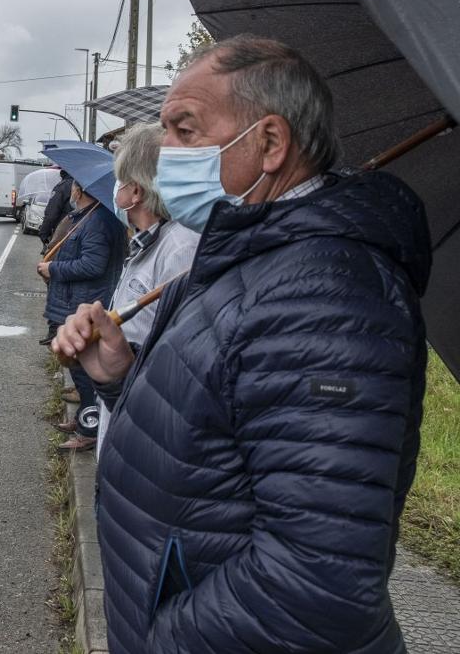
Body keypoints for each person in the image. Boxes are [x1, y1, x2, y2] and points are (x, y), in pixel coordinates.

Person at [53, 35, 431, 653]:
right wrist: (122, 372)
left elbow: (316, 584)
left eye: (184, 130)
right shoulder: (250, 258)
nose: (165, 153)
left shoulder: (325, 298)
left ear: (270, 144)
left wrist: (160, 639)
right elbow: (217, 419)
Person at [55, 124, 198, 457]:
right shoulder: (150, 243)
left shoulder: (180, 251)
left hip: (151, 440)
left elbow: (180, 370)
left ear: (135, 192)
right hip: (129, 421)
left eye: (118, 180)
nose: (114, 189)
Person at [38, 177, 126, 450]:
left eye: (74, 187)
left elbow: (93, 264)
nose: (71, 192)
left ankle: (90, 428)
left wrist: (53, 270)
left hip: (81, 303)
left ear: (79, 190)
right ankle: (83, 418)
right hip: (72, 302)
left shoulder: (98, 221)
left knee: (86, 371)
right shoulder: (87, 216)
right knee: (79, 371)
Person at [37, 170, 73, 249]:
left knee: (53, 259)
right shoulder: (87, 187)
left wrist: (44, 233)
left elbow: (51, 214)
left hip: (61, 233)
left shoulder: (63, 186)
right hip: (81, 233)